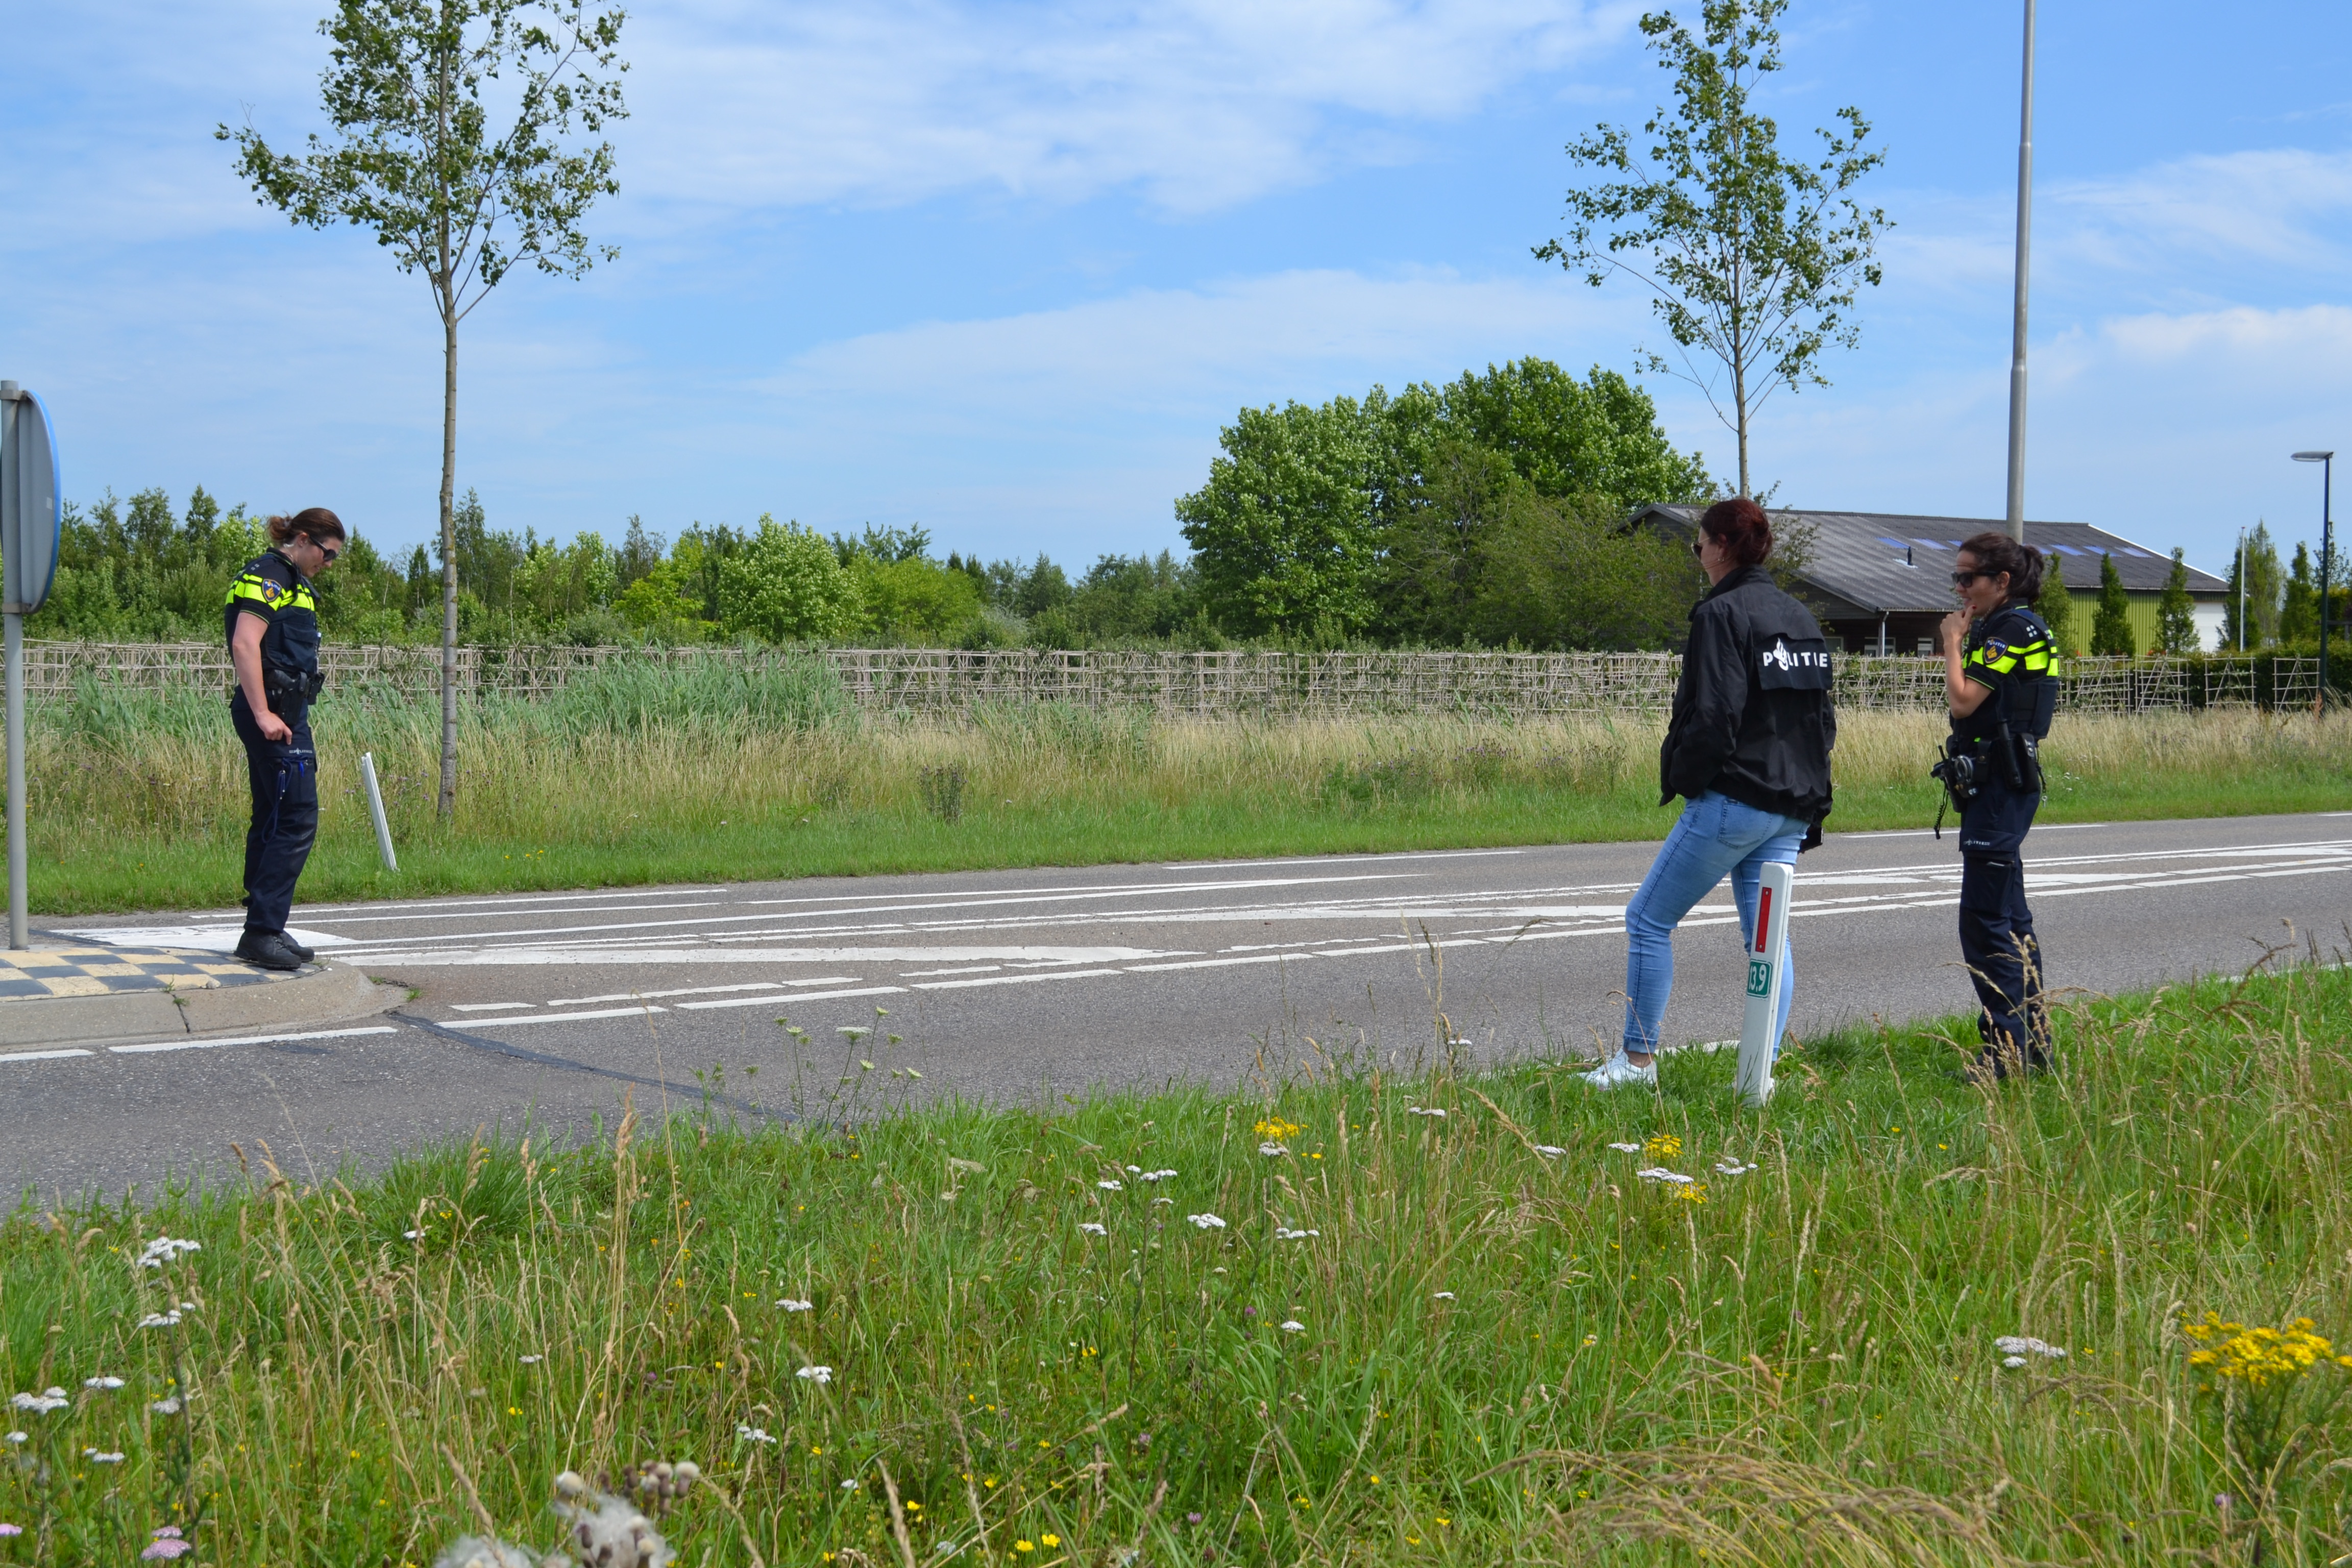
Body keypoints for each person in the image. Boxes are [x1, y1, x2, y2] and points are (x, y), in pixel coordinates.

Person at [1587, 498, 1836, 1090]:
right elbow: (1822, 721)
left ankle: (1636, 1063)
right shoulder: (1799, 615)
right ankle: (1759, 1071)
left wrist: (1686, 778)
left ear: (1721, 547)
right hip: (1792, 806)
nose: (1696, 553)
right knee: (1766, 941)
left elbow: (1716, 714)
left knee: (1647, 919)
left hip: (1735, 800)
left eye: (1697, 543)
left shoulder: (1720, 614)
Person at [1936, 531, 2057, 1079]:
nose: (1959, 588)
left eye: (1968, 578)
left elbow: (1964, 702)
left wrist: (1952, 644)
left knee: (1986, 925)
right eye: (1956, 577)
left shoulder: (2012, 628)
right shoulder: (2009, 625)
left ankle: (2006, 1054)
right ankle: (2033, 1044)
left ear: (2001, 581)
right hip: (2001, 784)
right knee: (2011, 920)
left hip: (2002, 785)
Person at [225, 508, 344, 970]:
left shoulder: (293, 581)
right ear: (302, 538)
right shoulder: (271, 576)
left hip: (289, 713)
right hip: (271, 714)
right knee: (297, 816)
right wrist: (262, 713)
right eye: (327, 553)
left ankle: (265, 924)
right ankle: (262, 932)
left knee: (274, 815)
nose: (328, 564)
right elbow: (244, 642)